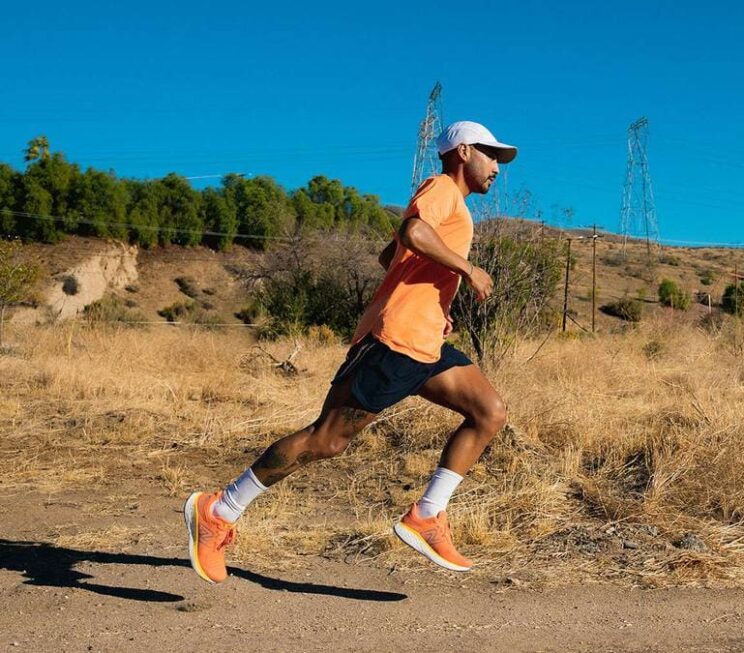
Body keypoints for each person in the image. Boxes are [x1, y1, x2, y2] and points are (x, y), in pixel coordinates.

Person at [184, 121, 517, 582]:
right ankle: (219, 510)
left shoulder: (453, 206)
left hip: (425, 342)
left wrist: (435, 299)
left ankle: (426, 515)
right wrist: (467, 270)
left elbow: (393, 254)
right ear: (462, 152)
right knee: (327, 440)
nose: (498, 167)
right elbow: (414, 232)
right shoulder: (442, 188)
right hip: (395, 342)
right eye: (491, 155)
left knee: (489, 411)